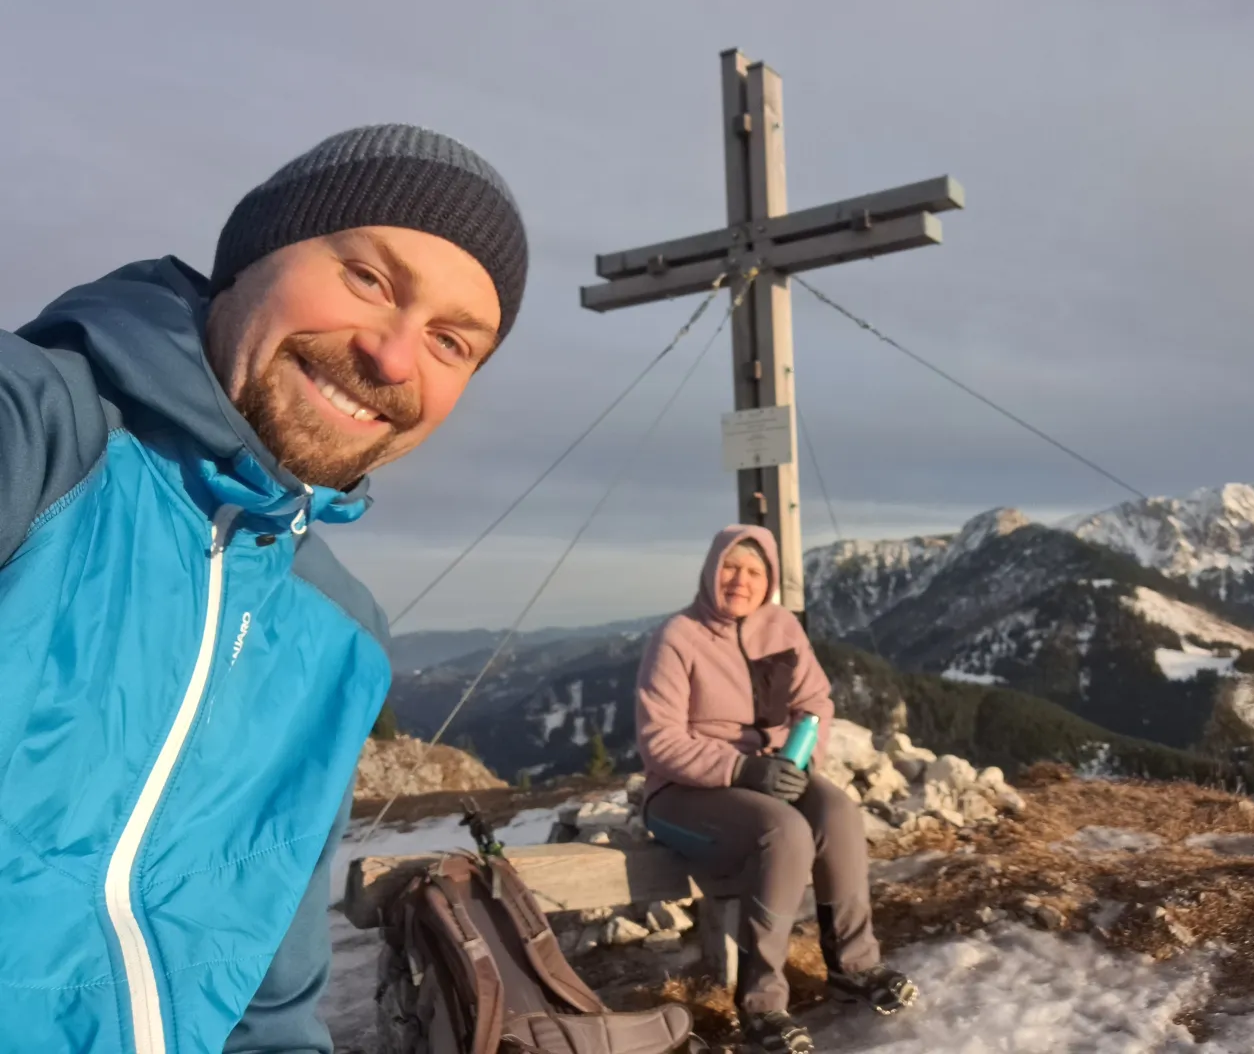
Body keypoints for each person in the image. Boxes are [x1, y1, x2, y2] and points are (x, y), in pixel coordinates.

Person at [0, 124, 528, 1052]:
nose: (394, 358)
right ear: (252, 255)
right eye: (368, 279)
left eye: (451, 341)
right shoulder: (38, 440)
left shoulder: (342, 637)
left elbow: (269, 1013)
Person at [635, 525, 917, 1054]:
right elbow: (659, 742)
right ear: (710, 570)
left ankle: (853, 966)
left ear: (769, 581)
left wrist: (799, 759)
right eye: (730, 567)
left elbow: (815, 703)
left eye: (754, 571)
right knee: (783, 831)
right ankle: (761, 1004)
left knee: (837, 812)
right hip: (681, 793)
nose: (739, 580)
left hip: (769, 771)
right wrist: (740, 770)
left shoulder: (782, 628)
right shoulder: (677, 637)